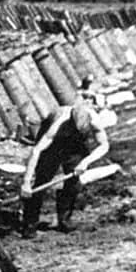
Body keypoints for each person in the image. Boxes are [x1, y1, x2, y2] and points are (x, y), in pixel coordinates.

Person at [20, 76, 114, 238]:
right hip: (54, 146)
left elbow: (104, 145)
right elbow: (36, 151)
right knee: (42, 180)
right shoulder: (58, 123)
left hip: (74, 147)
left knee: (73, 182)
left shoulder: (94, 119)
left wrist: (85, 162)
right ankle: (30, 223)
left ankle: (64, 221)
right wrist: (26, 182)